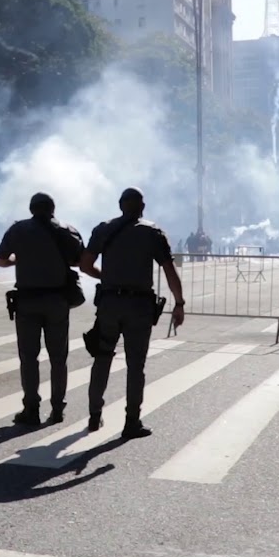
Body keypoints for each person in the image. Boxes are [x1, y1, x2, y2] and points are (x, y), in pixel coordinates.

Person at [78, 187, 185, 438]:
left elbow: (85, 265)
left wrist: (107, 278)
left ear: (120, 205)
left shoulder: (103, 229)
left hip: (109, 305)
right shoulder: (152, 232)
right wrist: (179, 303)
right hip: (138, 307)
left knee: (102, 358)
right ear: (142, 207)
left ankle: (94, 416)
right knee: (136, 365)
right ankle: (131, 422)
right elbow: (169, 270)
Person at [0, 192, 83, 425]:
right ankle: (57, 410)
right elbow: (80, 261)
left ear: (31, 209)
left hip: (27, 301)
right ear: (53, 209)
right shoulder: (67, 230)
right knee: (58, 358)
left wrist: (19, 260)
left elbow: (0, 260)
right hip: (57, 301)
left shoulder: (18, 230)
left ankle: (31, 409)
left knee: (29, 358)